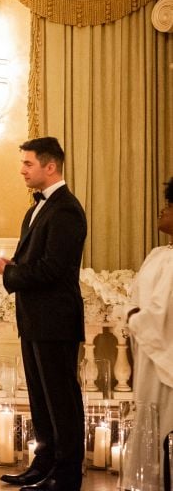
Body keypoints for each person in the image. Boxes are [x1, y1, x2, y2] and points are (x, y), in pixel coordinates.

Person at [0, 136, 86, 491]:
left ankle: (67, 475)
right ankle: (44, 465)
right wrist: (9, 265)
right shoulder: (36, 208)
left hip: (56, 319)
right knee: (41, 399)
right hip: (35, 318)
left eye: (28, 163)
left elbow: (54, 270)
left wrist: (6, 274)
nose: (22, 170)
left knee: (60, 400)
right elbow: (35, 265)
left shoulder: (66, 209)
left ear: (49, 166)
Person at [125, 176, 173, 491]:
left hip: (164, 360)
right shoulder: (159, 255)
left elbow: (162, 315)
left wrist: (134, 318)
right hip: (147, 356)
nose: (161, 210)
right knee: (147, 422)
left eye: (169, 205)